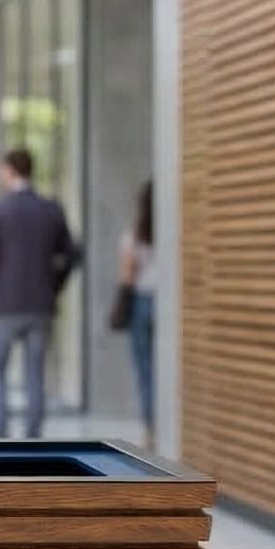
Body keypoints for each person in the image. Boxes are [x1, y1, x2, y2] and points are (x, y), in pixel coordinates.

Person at [0, 148, 78, 439]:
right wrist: (54, 284)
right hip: (41, 305)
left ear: (9, 171)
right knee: (35, 374)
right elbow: (71, 255)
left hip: (5, 305)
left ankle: (0, 432)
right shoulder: (51, 209)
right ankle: (33, 434)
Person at [119, 180, 157, 445]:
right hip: (169, 305)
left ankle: (151, 427)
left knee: (146, 368)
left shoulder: (135, 235)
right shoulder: (175, 233)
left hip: (143, 302)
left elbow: (128, 274)